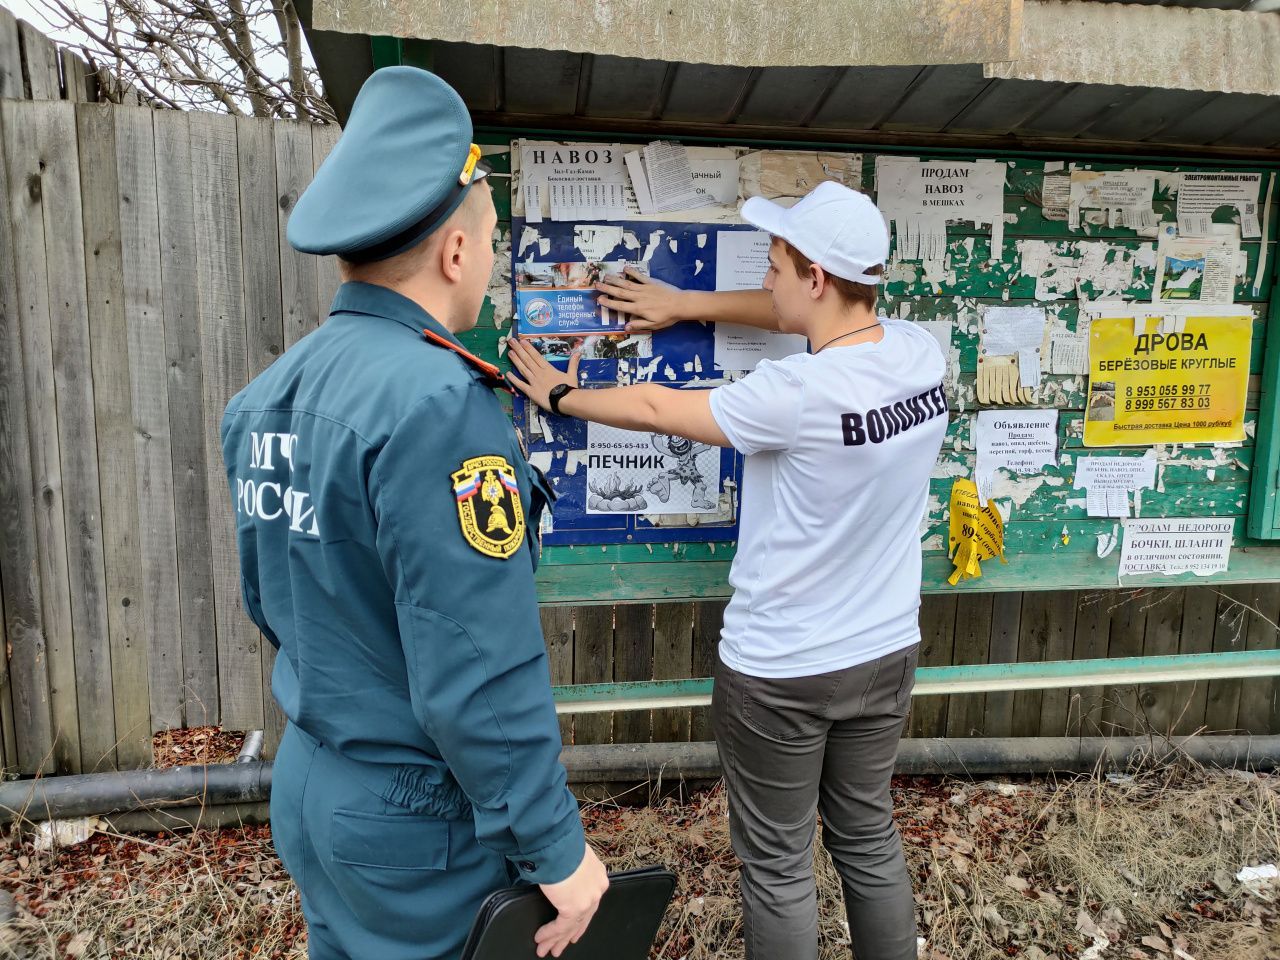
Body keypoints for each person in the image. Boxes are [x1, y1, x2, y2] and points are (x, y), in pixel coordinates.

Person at [220, 66, 607, 960]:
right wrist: (557, 847)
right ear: (458, 253)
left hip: (315, 786)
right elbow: (475, 660)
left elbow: (270, 600)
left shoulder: (265, 399)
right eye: (492, 239)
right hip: (417, 827)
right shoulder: (439, 405)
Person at [507, 181, 947, 960]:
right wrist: (684, 305)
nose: (767, 280)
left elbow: (653, 410)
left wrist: (564, 392)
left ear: (814, 277)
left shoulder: (795, 392)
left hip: (781, 671)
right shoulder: (918, 354)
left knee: (778, 865)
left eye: (776, 265)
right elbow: (792, 311)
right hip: (883, 652)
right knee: (868, 836)